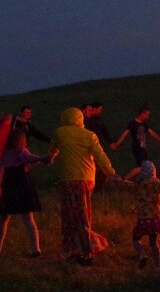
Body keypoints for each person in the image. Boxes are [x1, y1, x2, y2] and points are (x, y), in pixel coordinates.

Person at [50, 107, 117, 265]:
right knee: (83, 215)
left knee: (68, 216)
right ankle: (86, 250)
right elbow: (101, 156)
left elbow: (52, 152)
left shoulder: (60, 133)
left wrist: (47, 159)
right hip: (87, 179)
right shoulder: (89, 135)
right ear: (80, 119)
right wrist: (111, 173)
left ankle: (74, 250)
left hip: (67, 179)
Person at [106, 160, 160, 268]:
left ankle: (142, 255)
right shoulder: (157, 184)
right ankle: (158, 265)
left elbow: (125, 184)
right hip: (155, 220)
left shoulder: (138, 186)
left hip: (143, 220)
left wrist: (115, 179)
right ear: (154, 173)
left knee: (136, 239)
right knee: (154, 243)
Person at [0, 130, 52, 257]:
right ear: (22, 140)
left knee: (4, 219)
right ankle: (36, 249)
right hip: (22, 186)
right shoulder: (22, 152)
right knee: (28, 219)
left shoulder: (5, 153)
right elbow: (31, 159)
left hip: (9, 186)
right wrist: (44, 159)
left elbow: (2, 168)